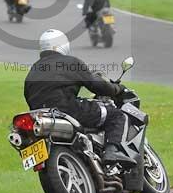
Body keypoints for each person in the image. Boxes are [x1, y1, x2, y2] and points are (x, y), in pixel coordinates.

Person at [24, 29, 136, 166]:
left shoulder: (34, 69)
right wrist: (117, 89)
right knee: (117, 115)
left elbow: (28, 96)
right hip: (66, 110)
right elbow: (96, 85)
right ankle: (112, 151)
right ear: (62, 45)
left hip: (40, 116)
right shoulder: (70, 62)